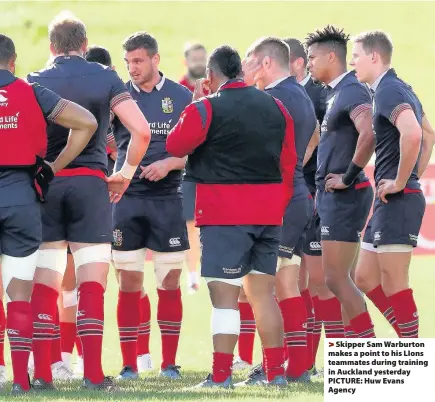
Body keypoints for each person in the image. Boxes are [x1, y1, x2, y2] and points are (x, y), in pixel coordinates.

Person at [27, 12, 151, 391]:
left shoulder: (34, 80)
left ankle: (44, 373)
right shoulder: (107, 77)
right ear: (84, 45)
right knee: (90, 284)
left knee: (46, 284)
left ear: (51, 47)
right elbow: (142, 131)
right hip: (92, 186)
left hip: (45, 186)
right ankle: (94, 375)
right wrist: (124, 175)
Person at [167, 45, 297, 388]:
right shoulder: (276, 105)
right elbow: (288, 161)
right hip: (269, 213)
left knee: (225, 298)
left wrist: (195, 104)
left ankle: (221, 376)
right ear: (240, 70)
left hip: (225, 212)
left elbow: (175, 146)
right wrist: (276, 206)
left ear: (210, 77)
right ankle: (276, 375)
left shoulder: (207, 107)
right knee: (263, 295)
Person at [0, 34, 97, 394]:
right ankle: (22, 381)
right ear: (13, 62)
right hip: (20, 196)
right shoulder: (31, 91)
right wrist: (54, 166)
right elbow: (86, 122)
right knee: (19, 293)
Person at [111, 32, 191, 381]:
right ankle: (129, 365)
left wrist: (170, 163)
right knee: (129, 283)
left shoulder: (181, 96)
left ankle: (169, 365)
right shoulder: (118, 96)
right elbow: (104, 140)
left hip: (168, 200)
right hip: (126, 200)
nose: (133, 68)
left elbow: (196, 149)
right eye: (128, 62)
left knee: (169, 283)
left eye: (139, 61)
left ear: (156, 60)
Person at [239, 37, 317, 384]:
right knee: (286, 284)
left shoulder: (270, 99)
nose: (249, 70)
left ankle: (272, 370)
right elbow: (313, 134)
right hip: (297, 196)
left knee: (259, 289)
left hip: (278, 200)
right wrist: (298, 166)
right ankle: (296, 367)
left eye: (252, 62)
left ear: (266, 64)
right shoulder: (300, 92)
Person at [350, 31, 434, 338]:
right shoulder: (397, 87)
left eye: (356, 56)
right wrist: (409, 177)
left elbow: (414, 134)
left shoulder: (388, 90)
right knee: (364, 277)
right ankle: (408, 347)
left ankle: (411, 357)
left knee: (394, 281)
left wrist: (402, 181)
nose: (352, 62)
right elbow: (430, 135)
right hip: (389, 199)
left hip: (397, 198)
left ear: (374, 57)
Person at [305, 25, 376, 338]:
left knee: (335, 279)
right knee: (339, 279)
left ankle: (369, 355)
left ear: (331, 56)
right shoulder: (334, 92)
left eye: (312, 57)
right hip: (333, 197)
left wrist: (348, 176)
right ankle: (354, 359)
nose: (308, 63)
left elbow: (370, 131)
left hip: (345, 196)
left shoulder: (352, 90)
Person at [283, 37, 328, 374]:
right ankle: (300, 361)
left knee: (318, 284)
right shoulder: (297, 93)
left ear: (294, 63)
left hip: (314, 198)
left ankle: (312, 362)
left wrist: (297, 166)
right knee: (293, 283)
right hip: (301, 195)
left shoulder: (313, 93)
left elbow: (315, 135)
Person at [179, 42, 208, 293]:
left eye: (202, 57)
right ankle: (192, 274)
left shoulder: (215, 87)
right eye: (195, 58)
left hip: (215, 166)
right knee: (190, 222)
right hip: (188, 167)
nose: (199, 62)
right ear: (186, 61)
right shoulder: (178, 90)